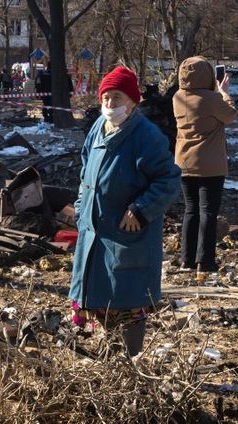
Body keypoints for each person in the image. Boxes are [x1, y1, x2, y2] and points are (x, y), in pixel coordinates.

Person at [69, 65, 181, 356]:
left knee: (128, 301)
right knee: (100, 298)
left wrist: (141, 210)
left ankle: (130, 363)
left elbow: (168, 179)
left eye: (117, 97)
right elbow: (85, 171)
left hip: (128, 234)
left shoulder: (146, 135)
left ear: (132, 101)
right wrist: (82, 207)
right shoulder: (98, 128)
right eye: (106, 96)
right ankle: (111, 356)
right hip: (95, 232)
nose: (110, 103)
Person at [172, 57, 237, 280]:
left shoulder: (177, 97)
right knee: (208, 212)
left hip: (184, 162)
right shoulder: (211, 99)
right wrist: (224, 92)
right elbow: (231, 115)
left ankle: (186, 259)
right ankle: (205, 261)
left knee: (191, 210)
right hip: (210, 164)